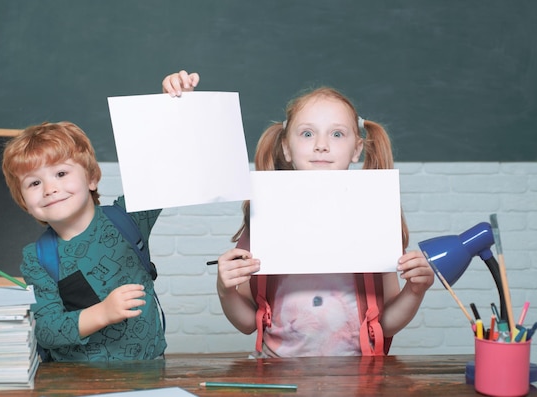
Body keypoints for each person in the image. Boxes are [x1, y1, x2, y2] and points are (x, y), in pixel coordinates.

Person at [163, 70, 434, 357]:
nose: (321, 144)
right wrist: (224, 289)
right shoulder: (264, 218)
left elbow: (387, 324)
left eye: (337, 134)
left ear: (357, 149)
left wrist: (415, 291)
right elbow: (246, 323)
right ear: (286, 147)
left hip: (358, 380)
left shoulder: (375, 217)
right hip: (277, 375)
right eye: (307, 133)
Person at [2, 121, 165, 362]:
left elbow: (161, 167)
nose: (49, 188)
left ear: (92, 178)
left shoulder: (128, 219)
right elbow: (46, 330)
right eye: (34, 183)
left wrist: (169, 100)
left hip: (150, 368)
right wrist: (103, 313)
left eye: (61, 173)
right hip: (78, 379)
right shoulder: (37, 258)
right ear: (24, 202)